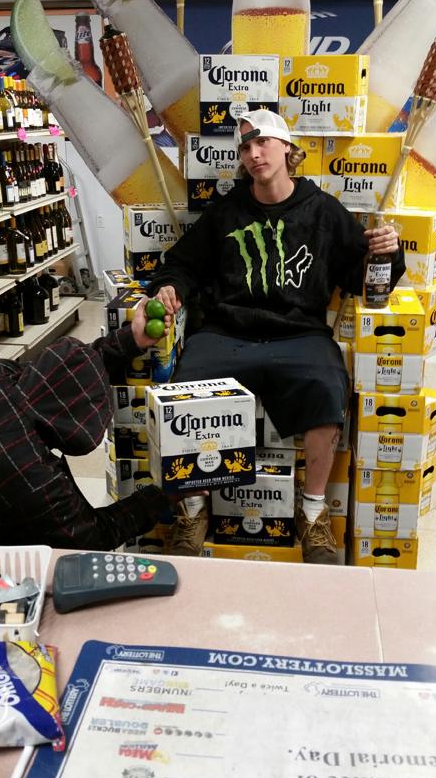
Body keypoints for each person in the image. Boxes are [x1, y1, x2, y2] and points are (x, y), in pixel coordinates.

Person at [149, 109, 405, 563]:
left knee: (327, 386)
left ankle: (313, 512)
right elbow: (183, 264)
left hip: (299, 333)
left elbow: (361, 276)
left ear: (287, 148)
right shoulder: (225, 211)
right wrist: (171, 286)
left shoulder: (323, 210)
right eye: (245, 148)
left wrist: (386, 254)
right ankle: (194, 510)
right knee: (187, 386)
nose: (253, 154)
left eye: (262, 142)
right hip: (227, 331)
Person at [0, 299, 171, 550]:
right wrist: (164, 494)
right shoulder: (39, 481)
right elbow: (95, 535)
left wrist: (130, 339)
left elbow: (58, 373)